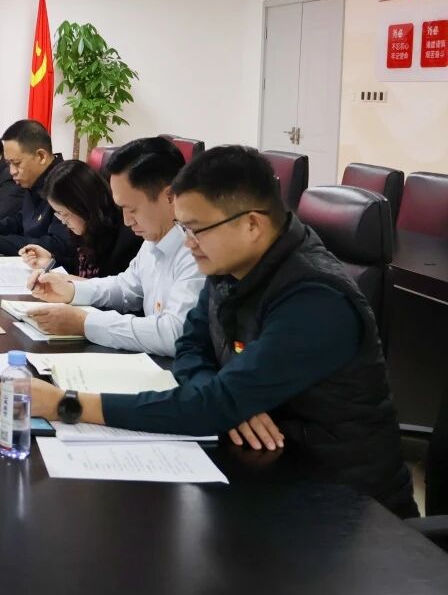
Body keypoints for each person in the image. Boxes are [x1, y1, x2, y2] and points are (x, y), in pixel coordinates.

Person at [28, 146, 416, 517]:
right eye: (184, 227)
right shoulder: (230, 264)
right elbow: (190, 345)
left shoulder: (316, 298)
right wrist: (226, 398)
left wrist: (66, 404)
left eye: (196, 229)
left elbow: (212, 403)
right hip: (266, 473)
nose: (187, 242)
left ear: (252, 224)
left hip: (348, 509)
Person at [25, 136, 202, 355]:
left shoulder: (196, 250)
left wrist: (85, 323)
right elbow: (126, 287)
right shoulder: (153, 240)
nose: (127, 221)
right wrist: (71, 290)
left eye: (133, 209)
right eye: (122, 209)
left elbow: (174, 334)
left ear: (170, 197)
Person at [0, 120, 71, 263]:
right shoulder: (34, 181)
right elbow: (18, 223)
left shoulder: (65, 184)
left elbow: (59, 245)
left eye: (17, 163)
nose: (12, 171)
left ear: (41, 156)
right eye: (9, 163)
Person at [12, 159, 141, 277]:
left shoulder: (126, 239)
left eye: (65, 214)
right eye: (58, 214)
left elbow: (112, 288)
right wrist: (51, 261)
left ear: (84, 205)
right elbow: (79, 269)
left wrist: (68, 283)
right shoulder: (86, 233)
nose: (63, 221)